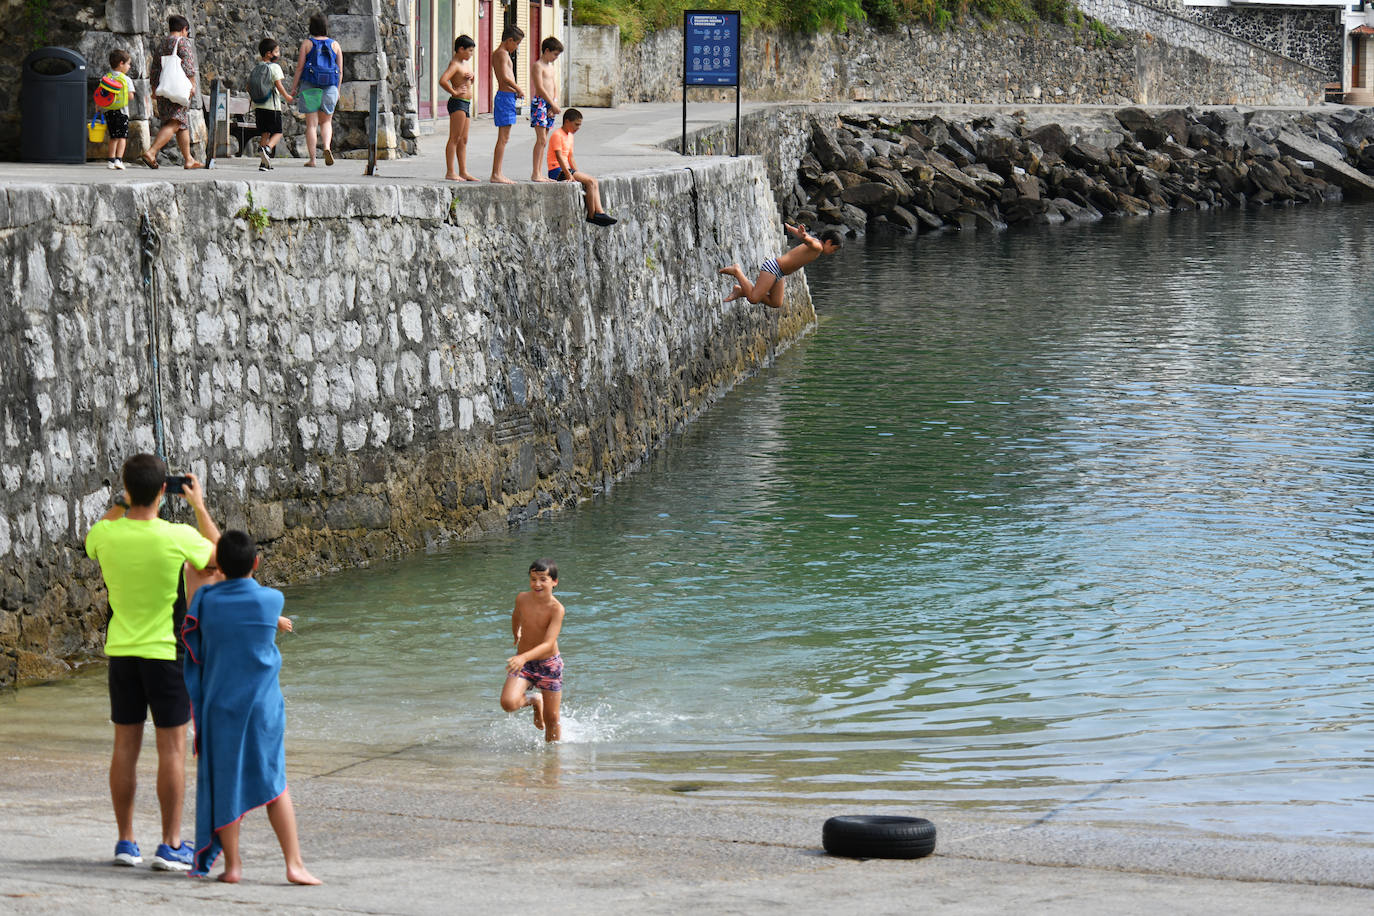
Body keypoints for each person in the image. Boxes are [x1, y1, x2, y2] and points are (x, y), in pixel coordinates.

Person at [83, 454, 221, 871]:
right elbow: (221, 557)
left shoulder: (105, 534)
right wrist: (198, 505)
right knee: (172, 751)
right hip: (165, 654)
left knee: (124, 747)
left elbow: (93, 538)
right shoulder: (177, 536)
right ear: (165, 490)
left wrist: (122, 502)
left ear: (126, 490)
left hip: (121, 653)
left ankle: (126, 842)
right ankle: (170, 843)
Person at [181, 530, 320, 885]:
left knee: (226, 783)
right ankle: (294, 864)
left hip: (220, 708)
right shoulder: (272, 600)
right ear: (256, 563)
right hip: (263, 709)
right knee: (275, 783)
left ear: (219, 566)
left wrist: (203, 569)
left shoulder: (206, 602)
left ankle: (233, 866)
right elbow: (252, 601)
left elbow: (196, 610)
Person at [499, 558, 566, 743]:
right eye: (533, 579)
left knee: (552, 719)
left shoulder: (556, 609)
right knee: (508, 703)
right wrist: (516, 632)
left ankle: (552, 758)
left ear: (554, 582)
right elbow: (516, 615)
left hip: (548, 665)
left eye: (543, 579)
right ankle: (535, 700)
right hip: (525, 663)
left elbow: (548, 643)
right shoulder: (522, 598)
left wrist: (522, 657)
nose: (537, 584)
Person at [720, 224, 843, 309]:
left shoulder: (815, 243)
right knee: (753, 298)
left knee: (776, 302)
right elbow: (808, 240)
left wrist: (792, 229)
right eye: (834, 249)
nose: (833, 252)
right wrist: (804, 236)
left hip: (780, 274)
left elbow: (807, 238)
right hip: (774, 268)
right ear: (828, 242)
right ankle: (737, 271)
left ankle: (741, 291)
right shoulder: (818, 247)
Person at [141, 14, 202, 169]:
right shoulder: (183, 42)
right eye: (187, 31)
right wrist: (192, 84)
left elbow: (154, 68)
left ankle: (188, 159)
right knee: (175, 122)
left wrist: (154, 88)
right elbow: (188, 66)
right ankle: (151, 152)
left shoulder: (162, 43)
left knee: (181, 123)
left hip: (163, 88)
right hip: (178, 89)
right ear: (184, 29)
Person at [290, 13, 343, 167]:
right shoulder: (335, 45)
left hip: (310, 86)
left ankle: (312, 160)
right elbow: (340, 71)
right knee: (326, 122)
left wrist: (294, 88)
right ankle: (326, 147)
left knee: (311, 125)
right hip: (330, 87)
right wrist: (337, 90)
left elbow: (300, 68)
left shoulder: (307, 44)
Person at [548, 109, 616, 226]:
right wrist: (569, 175)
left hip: (566, 169)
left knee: (593, 181)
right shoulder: (557, 135)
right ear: (567, 121)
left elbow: (571, 157)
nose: (578, 128)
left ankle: (600, 212)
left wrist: (577, 173)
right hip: (556, 170)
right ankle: (592, 215)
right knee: (590, 182)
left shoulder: (570, 136)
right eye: (576, 124)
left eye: (579, 125)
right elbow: (559, 157)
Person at [438, 34, 478, 182]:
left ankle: (463, 171)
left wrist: (472, 77)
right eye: (470, 50)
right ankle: (450, 171)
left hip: (466, 103)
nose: (471, 54)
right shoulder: (455, 64)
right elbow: (443, 80)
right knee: (454, 138)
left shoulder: (464, 64)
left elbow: (467, 83)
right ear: (461, 49)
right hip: (458, 103)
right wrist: (454, 92)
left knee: (463, 139)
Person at [250, 38, 293, 172]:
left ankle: (264, 163)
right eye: (277, 51)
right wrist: (287, 96)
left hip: (258, 107)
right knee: (278, 132)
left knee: (265, 133)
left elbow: (248, 87)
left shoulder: (257, 67)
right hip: (272, 107)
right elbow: (278, 85)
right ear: (269, 53)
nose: (279, 54)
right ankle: (267, 149)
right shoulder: (275, 67)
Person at [489, 25, 524, 184]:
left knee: (505, 137)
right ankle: (496, 173)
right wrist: (518, 89)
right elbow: (504, 77)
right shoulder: (502, 54)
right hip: (505, 97)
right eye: (516, 44)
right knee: (503, 138)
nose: (516, 47)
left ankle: (498, 172)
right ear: (510, 40)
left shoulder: (499, 54)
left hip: (507, 97)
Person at [529, 36, 563, 183]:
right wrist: (551, 104)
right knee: (541, 139)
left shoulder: (551, 67)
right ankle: (535, 173)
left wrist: (554, 103)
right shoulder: (538, 66)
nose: (555, 58)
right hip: (540, 103)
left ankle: (539, 172)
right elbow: (540, 87)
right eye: (555, 54)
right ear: (547, 50)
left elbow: (554, 86)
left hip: (549, 104)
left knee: (544, 140)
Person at [99, 49, 134, 169]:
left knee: (113, 137)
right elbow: (130, 96)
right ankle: (119, 160)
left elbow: (100, 95)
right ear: (121, 63)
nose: (129, 67)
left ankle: (111, 161)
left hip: (109, 111)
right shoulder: (126, 79)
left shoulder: (106, 77)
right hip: (122, 112)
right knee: (122, 137)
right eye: (128, 64)